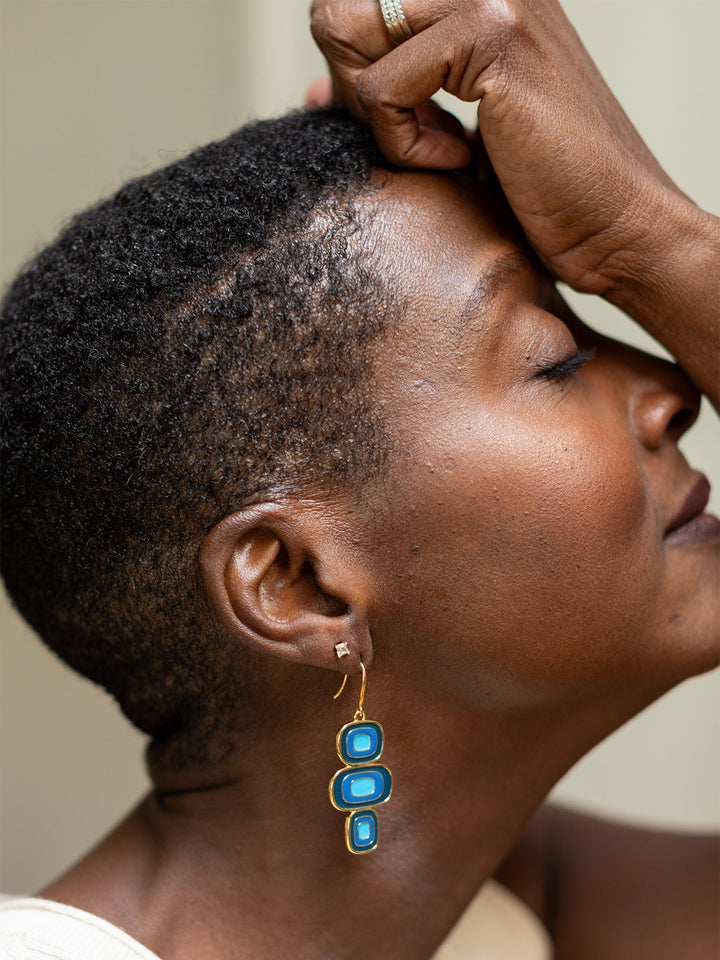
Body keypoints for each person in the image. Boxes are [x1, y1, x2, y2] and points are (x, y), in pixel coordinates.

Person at [0, 0, 718, 957]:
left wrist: (661, 248)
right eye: (554, 358)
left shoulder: (519, 915)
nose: (678, 381)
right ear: (299, 583)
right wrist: (650, 245)